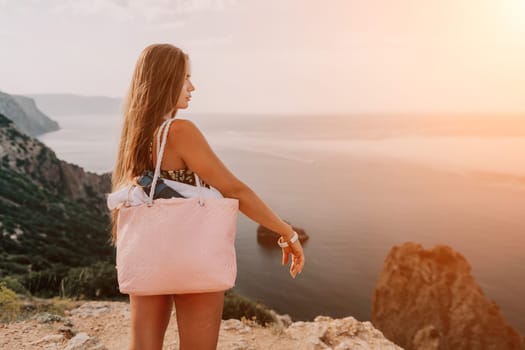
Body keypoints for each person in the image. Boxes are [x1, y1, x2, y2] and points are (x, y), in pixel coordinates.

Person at [110, 43, 305, 350]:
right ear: (165, 80)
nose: (192, 86)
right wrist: (286, 232)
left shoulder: (135, 136)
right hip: (192, 252)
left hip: (148, 252)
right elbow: (234, 190)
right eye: (185, 77)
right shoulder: (179, 131)